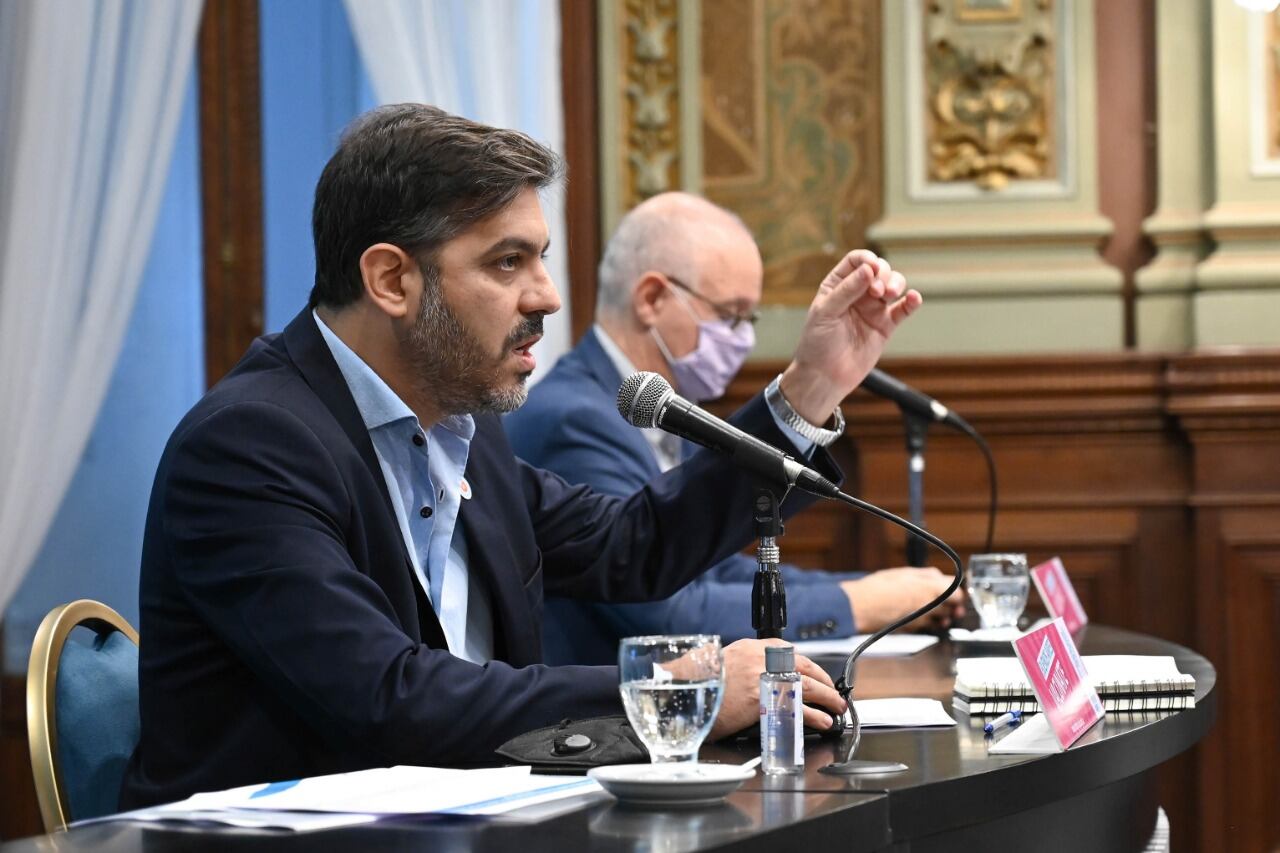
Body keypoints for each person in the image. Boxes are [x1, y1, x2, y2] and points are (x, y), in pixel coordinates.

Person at [121, 104, 920, 809]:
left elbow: (634, 547)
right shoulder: (249, 446)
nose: (546, 295)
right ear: (392, 278)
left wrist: (812, 384)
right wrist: (678, 688)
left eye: (541, 257)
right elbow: (384, 695)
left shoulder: (463, 430)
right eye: (508, 262)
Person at [505, 193, 964, 665]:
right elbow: (664, 613)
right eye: (730, 315)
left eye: (749, 319)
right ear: (652, 299)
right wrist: (860, 604)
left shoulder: (653, 406)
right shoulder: (575, 418)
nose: (743, 339)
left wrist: (868, 589)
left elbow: (709, 568)